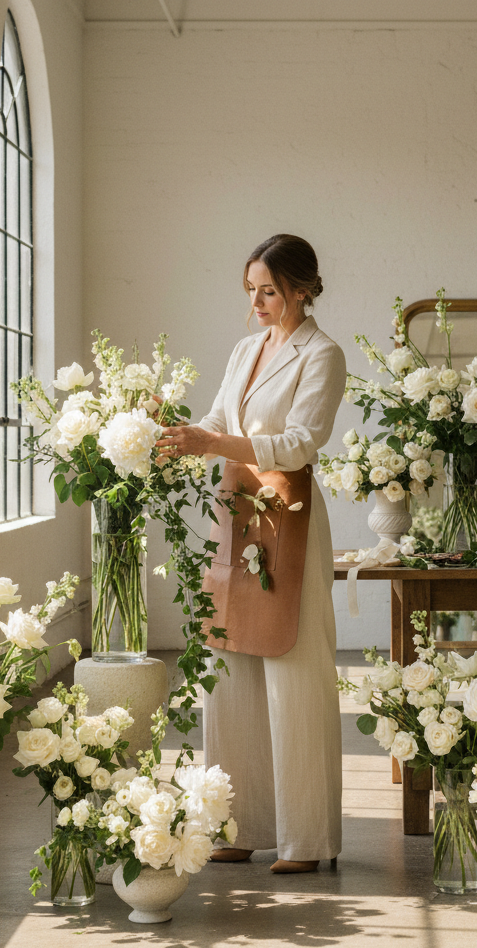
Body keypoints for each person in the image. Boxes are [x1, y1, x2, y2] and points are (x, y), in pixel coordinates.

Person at [156, 234, 345, 873]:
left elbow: (300, 443)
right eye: (251, 291)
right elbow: (217, 420)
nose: (258, 302)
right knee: (231, 667)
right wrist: (177, 429)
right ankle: (235, 823)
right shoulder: (245, 350)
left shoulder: (323, 355)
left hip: (288, 514)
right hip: (236, 513)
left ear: (301, 288)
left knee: (293, 669)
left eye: (268, 290)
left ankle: (304, 840)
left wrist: (213, 441)